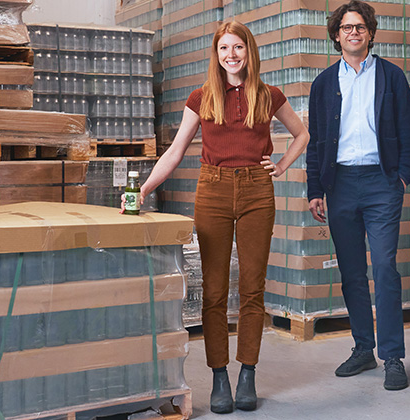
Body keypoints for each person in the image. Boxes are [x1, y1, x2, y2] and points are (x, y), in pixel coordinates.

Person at [122, 21, 309, 414]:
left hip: (258, 190)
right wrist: (144, 190)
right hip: (213, 190)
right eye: (224, 49)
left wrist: (281, 166)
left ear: (249, 51)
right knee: (214, 290)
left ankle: (248, 374)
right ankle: (220, 375)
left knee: (254, 288)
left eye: (238, 47)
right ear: (216, 54)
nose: (231, 55)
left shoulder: (268, 95)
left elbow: (302, 134)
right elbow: (174, 152)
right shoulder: (202, 97)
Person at [306, 0, 410, 391]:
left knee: (385, 269)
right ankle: (362, 349)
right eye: (347, 27)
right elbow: (316, 141)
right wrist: (315, 189)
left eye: (360, 26)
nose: (354, 32)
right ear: (336, 35)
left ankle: (392, 357)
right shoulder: (323, 84)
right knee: (352, 273)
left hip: (381, 182)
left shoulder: (391, 76)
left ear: (370, 32)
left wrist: (402, 176)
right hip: (339, 186)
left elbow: (409, 129)